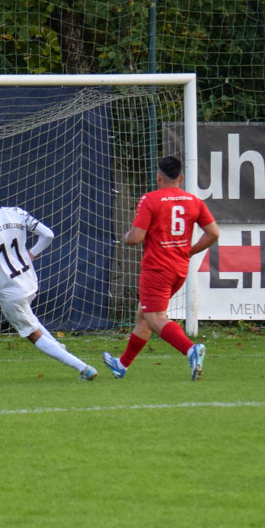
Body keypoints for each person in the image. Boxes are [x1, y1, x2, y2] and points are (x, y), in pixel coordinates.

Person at [0, 174, 97, 380]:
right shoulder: (16, 212)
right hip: (29, 281)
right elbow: (48, 235)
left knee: (32, 333)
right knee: (30, 318)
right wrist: (32, 253)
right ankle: (58, 347)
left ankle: (83, 368)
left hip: (11, 290)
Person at [102, 155, 219, 381]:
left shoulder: (150, 199)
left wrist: (127, 237)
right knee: (144, 314)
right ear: (181, 178)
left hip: (157, 269)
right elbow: (213, 233)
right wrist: (190, 251)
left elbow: (136, 238)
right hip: (179, 269)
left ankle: (191, 349)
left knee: (155, 317)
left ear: (158, 177)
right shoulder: (194, 201)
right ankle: (122, 365)